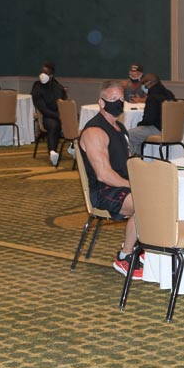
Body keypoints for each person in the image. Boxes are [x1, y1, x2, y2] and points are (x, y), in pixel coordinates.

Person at [79, 81, 140, 279]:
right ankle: (125, 255)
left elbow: (127, 163)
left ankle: (142, 247)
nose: (118, 102)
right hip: (103, 190)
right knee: (146, 203)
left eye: (121, 98)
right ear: (101, 102)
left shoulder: (120, 128)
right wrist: (135, 186)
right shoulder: (94, 131)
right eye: (113, 99)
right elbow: (103, 174)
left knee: (162, 197)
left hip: (121, 185)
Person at [127, 73, 175, 155]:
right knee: (138, 133)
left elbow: (148, 119)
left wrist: (139, 124)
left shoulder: (152, 97)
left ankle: (133, 158)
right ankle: (136, 157)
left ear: (148, 83)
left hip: (158, 129)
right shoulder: (169, 94)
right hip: (171, 130)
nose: (143, 86)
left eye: (143, 84)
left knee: (130, 134)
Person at [31, 62, 68, 165]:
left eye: (46, 73)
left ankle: (73, 147)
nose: (42, 75)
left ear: (51, 75)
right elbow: (42, 108)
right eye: (41, 72)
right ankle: (52, 152)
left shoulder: (57, 86)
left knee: (73, 122)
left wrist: (63, 116)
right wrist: (58, 116)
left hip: (59, 115)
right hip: (46, 116)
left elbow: (63, 102)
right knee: (54, 125)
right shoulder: (37, 86)